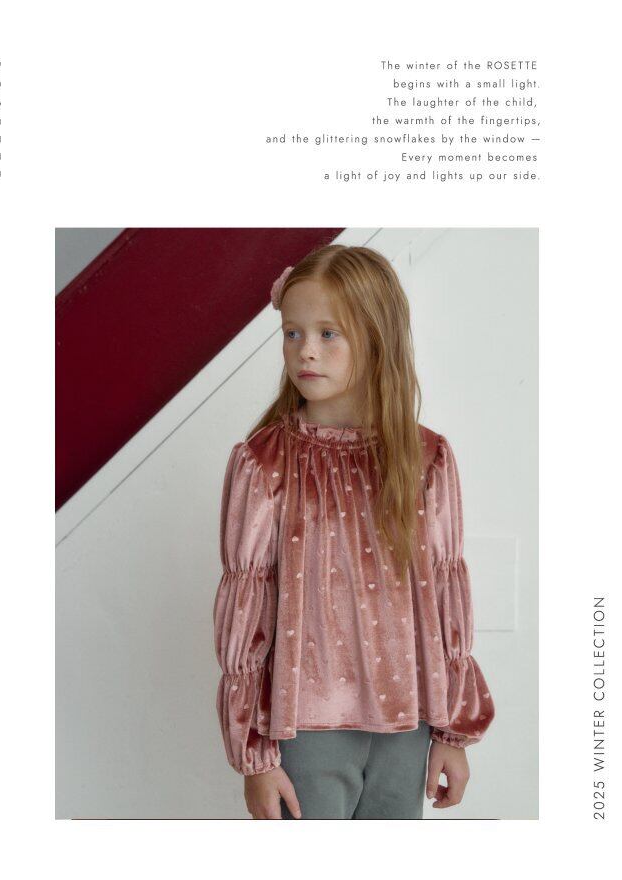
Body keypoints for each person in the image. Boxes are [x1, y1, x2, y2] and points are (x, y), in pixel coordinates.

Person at [213, 244, 495, 819]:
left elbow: (445, 601)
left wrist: (453, 732)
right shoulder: (264, 464)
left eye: (328, 334)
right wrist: (256, 759)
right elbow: (249, 609)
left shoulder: (426, 459)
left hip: (408, 724)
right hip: (303, 729)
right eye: (292, 333)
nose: (305, 350)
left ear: (376, 338)